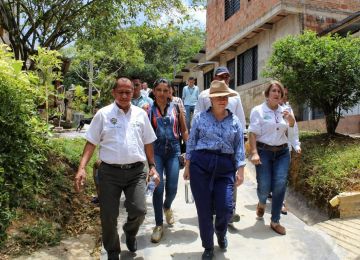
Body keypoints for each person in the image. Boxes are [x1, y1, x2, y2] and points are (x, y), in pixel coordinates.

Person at [74, 77, 160, 260]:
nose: (124, 95)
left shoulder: (140, 114)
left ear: (133, 92)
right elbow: (91, 143)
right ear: (113, 93)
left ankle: (130, 232)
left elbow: (148, 143)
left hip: (136, 172)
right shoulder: (103, 114)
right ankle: (113, 251)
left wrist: (152, 166)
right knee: (108, 216)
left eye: (128, 92)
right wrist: (82, 168)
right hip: (109, 172)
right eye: (120, 92)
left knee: (139, 210)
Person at [184, 80, 246, 260]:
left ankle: (220, 232)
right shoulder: (200, 118)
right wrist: (187, 166)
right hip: (200, 165)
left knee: (225, 208)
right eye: (218, 97)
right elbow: (192, 142)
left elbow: (239, 147)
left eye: (225, 97)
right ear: (210, 99)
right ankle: (208, 247)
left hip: (225, 167)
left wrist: (241, 170)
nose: (222, 100)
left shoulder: (234, 121)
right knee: (203, 210)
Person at [194, 66, 246, 224]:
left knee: (230, 180)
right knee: (211, 182)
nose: (224, 80)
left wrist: (242, 142)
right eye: (221, 77)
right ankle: (212, 210)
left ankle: (230, 211)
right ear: (214, 79)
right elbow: (197, 117)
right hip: (208, 149)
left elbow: (241, 120)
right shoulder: (204, 95)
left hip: (229, 147)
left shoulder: (235, 96)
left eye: (227, 77)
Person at [248, 80, 295, 236]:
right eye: (273, 91)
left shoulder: (286, 111)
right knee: (265, 185)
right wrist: (254, 152)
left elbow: (293, 130)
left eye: (279, 92)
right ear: (267, 94)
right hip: (264, 151)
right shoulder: (258, 111)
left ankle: (275, 221)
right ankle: (262, 202)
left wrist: (291, 120)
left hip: (282, 152)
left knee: (280, 184)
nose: (277, 94)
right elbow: (252, 133)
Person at [148, 78, 188, 243]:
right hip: (156, 151)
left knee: (172, 188)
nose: (162, 93)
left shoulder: (176, 108)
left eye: (166, 90)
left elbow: (184, 130)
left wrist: (190, 152)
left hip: (173, 151)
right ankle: (158, 225)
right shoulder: (148, 110)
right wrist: (148, 162)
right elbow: (146, 137)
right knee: (158, 188)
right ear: (154, 91)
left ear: (170, 92)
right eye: (159, 90)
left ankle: (167, 206)